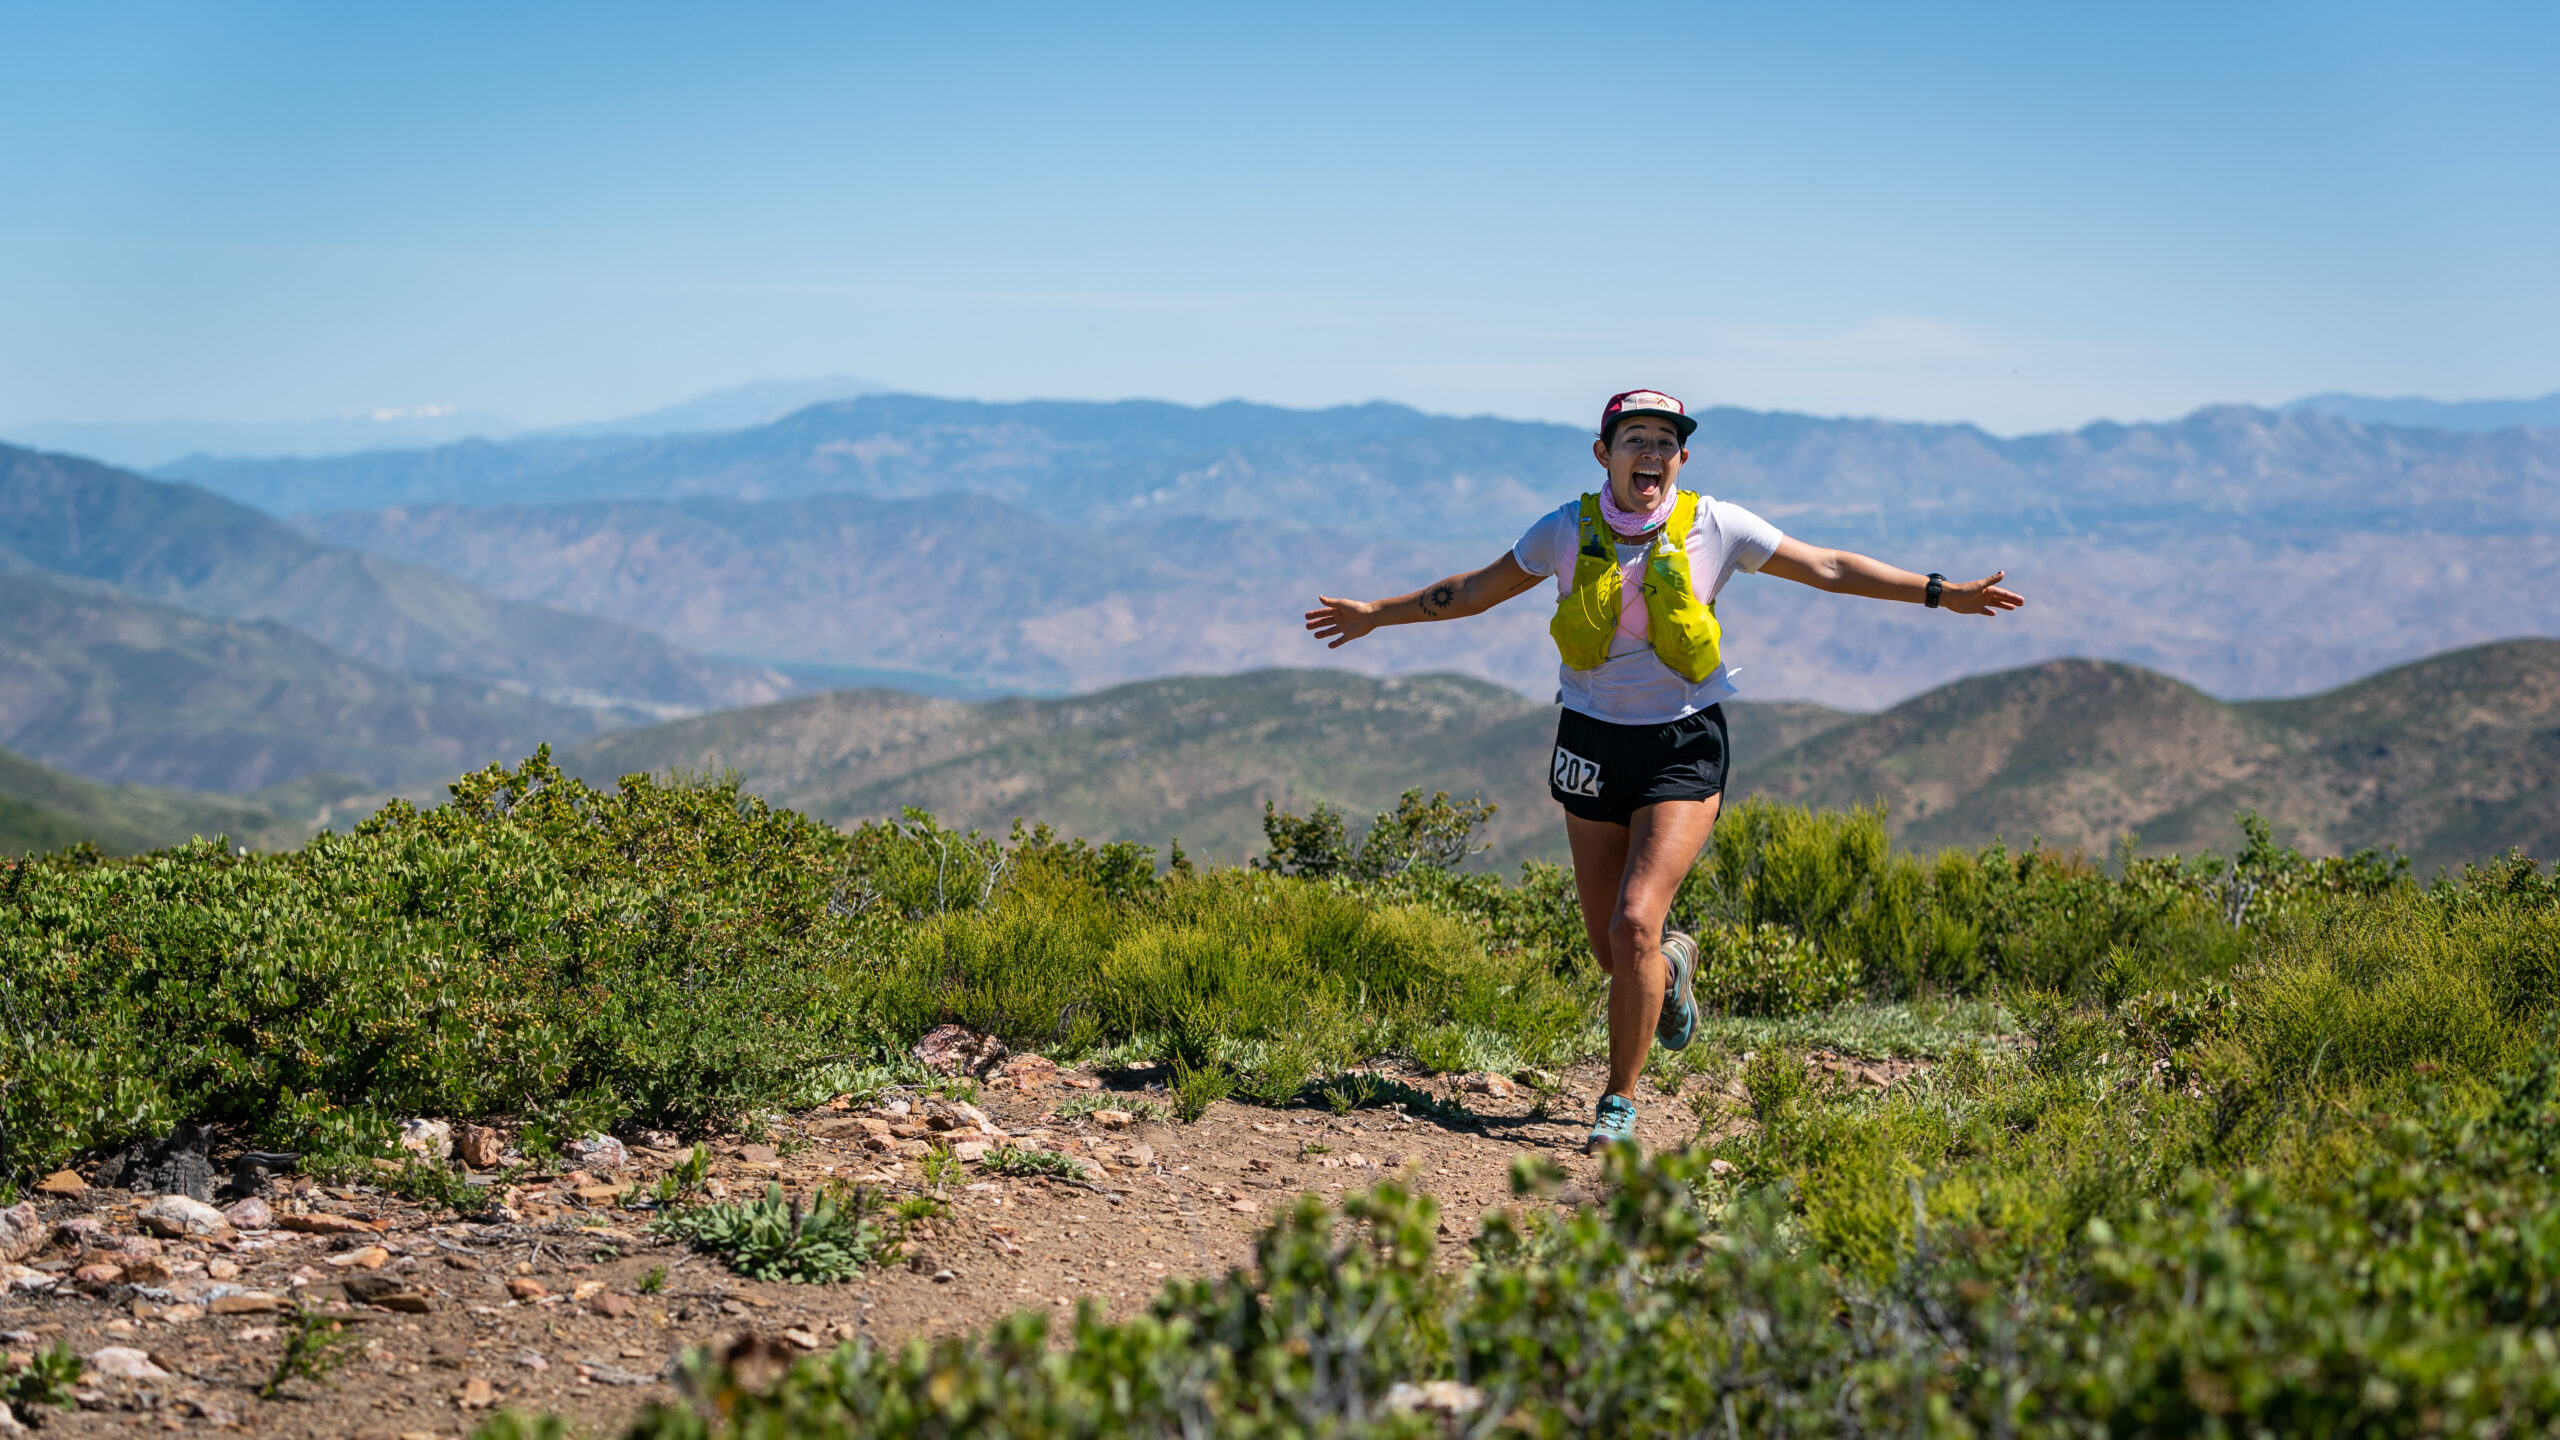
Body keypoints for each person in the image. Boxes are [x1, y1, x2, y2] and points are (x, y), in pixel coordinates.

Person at [1304, 389, 2023, 1153]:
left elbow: (1831, 566)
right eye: (1634, 439)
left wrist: (1942, 594)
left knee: (1635, 920)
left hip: (1683, 744)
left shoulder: (1718, 525)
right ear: (1602, 453)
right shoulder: (1562, 531)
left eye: (1665, 441)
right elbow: (1477, 593)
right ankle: (1673, 966)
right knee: (1611, 949)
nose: (1650, 452)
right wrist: (1377, 612)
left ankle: (1617, 1103)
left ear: (1681, 457)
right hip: (1589, 740)